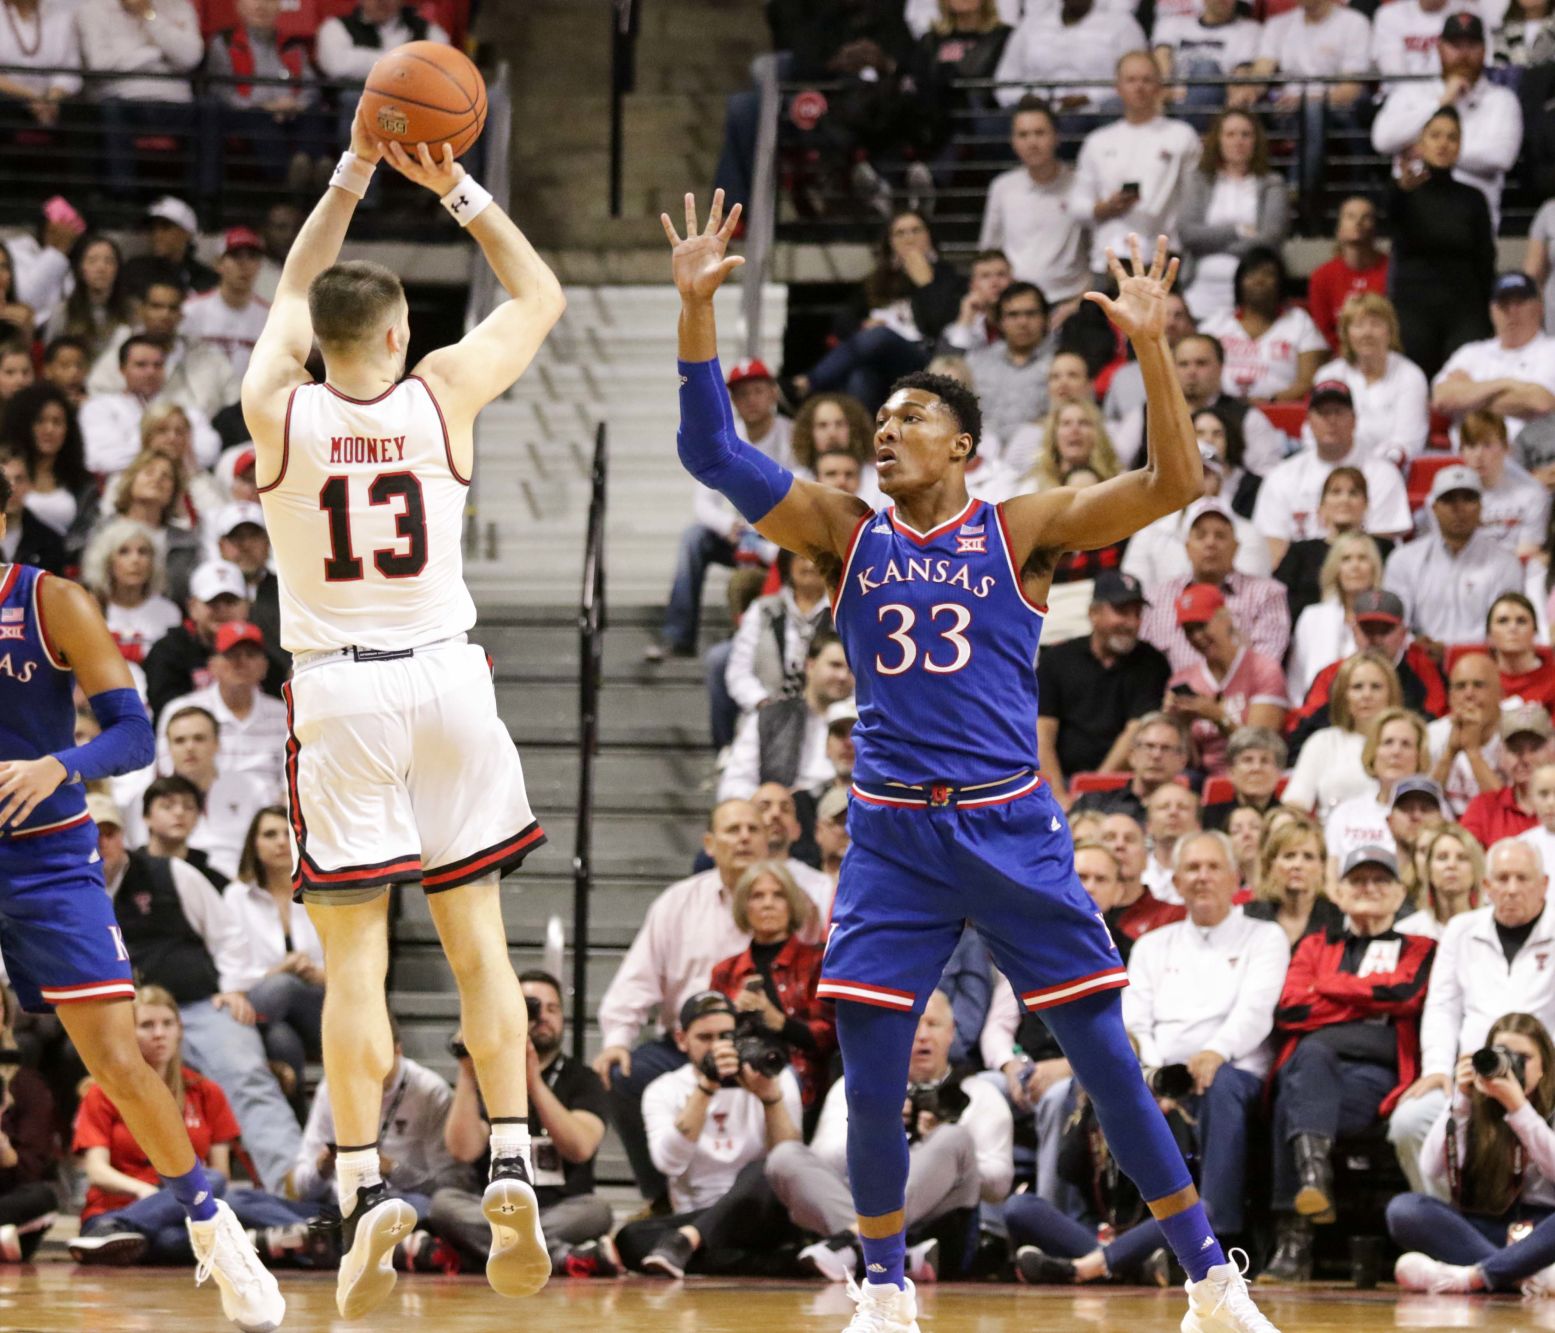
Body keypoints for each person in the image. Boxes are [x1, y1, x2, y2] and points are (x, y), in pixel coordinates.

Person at [664, 190, 1279, 1330]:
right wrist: (696, 312)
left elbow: (1172, 484)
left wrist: (1148, 349)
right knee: (872, 1057)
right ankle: (887, 1288)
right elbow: (709, 445)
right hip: (894, 829)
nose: (882, 432)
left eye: (906, 420)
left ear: (964, 446)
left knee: (1100, 1053)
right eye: (878, 420)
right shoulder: (843, 529)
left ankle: (1209, 1274)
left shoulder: (1021, 528)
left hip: (1007, 820)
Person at [239, 105, 566, 1316]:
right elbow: (539, 299)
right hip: (446, 677)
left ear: (322, 337)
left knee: (355, 961)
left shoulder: (278, 408)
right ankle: (517, 1158)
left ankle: (363, 1183)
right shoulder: (440, 398)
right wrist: (457, 192)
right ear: (398, 331)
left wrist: (350, 176)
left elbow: (292, 287)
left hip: (340, 691)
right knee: (476, 938)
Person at [0, 467, 280, 1325]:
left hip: (46, 853)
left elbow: (132, 732)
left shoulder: (50, 600)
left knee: (118, 1060)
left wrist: (58, 764)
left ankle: (209, 1222)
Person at [592, 800, 827, 1205]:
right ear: (709, 843)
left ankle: (784, 1199)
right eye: (732, 830)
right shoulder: (677, 903)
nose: (744, 838)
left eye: (753, 829)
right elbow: (636, 982)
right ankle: (661, 1200)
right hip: (687, 1045)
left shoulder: (800, 904)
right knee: (625, 1073)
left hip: (775, 1042)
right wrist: (616, 1039)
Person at [1262, 844, 1435, 1282]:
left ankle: (1294, 1244)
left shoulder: (1419, 946)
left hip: (1379, 1073)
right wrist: (1364, 998)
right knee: (1304, 1071)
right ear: (1337, 892)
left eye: (1381, 881)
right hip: (1322, 1074)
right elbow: (1291, 1009)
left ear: (1400, 895)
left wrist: (1329, 988)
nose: (1369, 889)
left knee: (1301, 1074)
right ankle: (1313, 1179)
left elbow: (1405, 994)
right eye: (1358, 880)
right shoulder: (1315, 944)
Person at [767, 989, 1013, 1284]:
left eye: (932, 1024)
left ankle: (855, 1244)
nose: (922, 1035)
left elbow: (999, 1184)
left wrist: (938, 1152)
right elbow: (824, 1160)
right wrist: (877, 1128)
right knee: (785, 1156)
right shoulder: (856, 1086)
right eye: (912, 1024)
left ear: (951, 1033)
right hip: (888, 1231)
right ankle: (893, 1255)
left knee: (953, 1138)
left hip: (941, 1235)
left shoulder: (979, 1093)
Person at [1123, 831, 1290, 1244]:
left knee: (1221, 1087)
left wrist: (1216, 1051)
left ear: (1236, 878)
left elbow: (1255, 1012)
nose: (1202, 877)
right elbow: (1135, 1020)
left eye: (1213, 867)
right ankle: (1112, 1228)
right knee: (1102, 1089)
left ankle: (1220, 1235)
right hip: (1162, 1068)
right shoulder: (1150, 945)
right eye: (1192, 869)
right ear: (1176, 882)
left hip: (1235, 1066)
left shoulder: (1265, 937)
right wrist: (1156, 1076)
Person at [69, 984, 308, 1269]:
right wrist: (145, 1193)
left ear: (180, 1030)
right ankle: (116, 1227)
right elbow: (96, 1171)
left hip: (183, 1211)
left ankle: (299, 1234)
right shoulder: (103, 1092)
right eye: (146, 1025)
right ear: (127, 1033)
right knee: (190, 1209)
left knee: (208, 1188)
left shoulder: (207, 1091)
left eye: (167, 1024)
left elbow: (220, 1175)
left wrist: (172, 1199)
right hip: (114, 1208)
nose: (159, 1034)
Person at [1392, 839, 1555, 1194]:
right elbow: (1442, 1007)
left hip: (1545, 1078)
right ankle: (1453, 1219)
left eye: (1522, 879)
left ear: (1544, 884)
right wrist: (1436, 1068)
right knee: (1408, 1122)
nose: (1512, 889)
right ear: (1486, 886)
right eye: (1502, 878)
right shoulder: (1461, 930)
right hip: (1472, 1075)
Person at [433, 971, 614, 1278]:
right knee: (443, 1204)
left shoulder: (583, 1079)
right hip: (495, 1209)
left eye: (552, 1008)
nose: (542, 1016)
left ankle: (485, 1254)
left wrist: (532, 1082)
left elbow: (580, 1148)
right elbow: (462, 1150)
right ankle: (556, 1255)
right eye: (530, 1007)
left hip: (562, 1208)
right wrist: (467, 1071)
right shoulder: (489, 1074)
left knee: (598, 1211)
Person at [619, 991, 804, 1278]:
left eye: (726, 1035)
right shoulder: (663, 1089)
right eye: (706, 1038)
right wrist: (706, 1088)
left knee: (764, 1169)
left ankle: (686, 1244)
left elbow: (791, 1162)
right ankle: (779, 1265)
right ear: (682, 1039)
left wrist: (770, 1099)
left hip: (759, 1214)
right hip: (696, 1211)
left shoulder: (774, 1076)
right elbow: (668, 1163)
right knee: (629, 1239)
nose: (719, 1047)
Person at [1391, 1011, 1555, 1294]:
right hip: (1487, 1224)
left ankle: (1471, 1277)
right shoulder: (1473, 1100)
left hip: (1544, 1231)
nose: (1512, 1065)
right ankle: (1524, 1278)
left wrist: (1519, 1110)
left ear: (1544, 1066)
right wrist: (1461, 1100)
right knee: (1404, 1210)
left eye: (1524, 1058)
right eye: (1503, 1054)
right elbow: (1431, 1168)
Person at [288, 1016, 467, 1231]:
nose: (365, 1070)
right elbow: (302, 1188)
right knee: (244, 1202)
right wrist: (321, 1170)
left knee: (432, 1209)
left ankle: (322, 1235)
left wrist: (392, 1169)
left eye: (373, 1059)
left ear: (397, 1050)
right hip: (340, 1205)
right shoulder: (333, 1087)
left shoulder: (431, 1092)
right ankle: (333, 1234)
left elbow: (450, 1187)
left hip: (400, 1204)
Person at [789, 213, 962, 415]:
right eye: (900, 233)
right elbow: (842, 324)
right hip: (880, 362)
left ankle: (807, 382)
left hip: (922, 358)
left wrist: (925, 284)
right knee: (860, 376)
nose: (909, 238)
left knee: (881, 335)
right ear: (890, 243)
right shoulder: (877, 280)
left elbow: (938, 325)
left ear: (929, 236)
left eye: (916, 230)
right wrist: (863, 327)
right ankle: (863, 442)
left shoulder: (946, 276)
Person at [1372, 12, 1523, 229]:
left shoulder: (1501, 100)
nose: (1463, 54)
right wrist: (1441, 102)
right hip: (1414, 222)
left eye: (1471, 45)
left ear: (1484, 50)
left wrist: (1430, 151)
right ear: (1440, 48)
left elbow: (1501, 157)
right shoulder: (1412, 92)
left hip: (1474, 224)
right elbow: (1382, 139)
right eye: (1455, 45)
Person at [1036, 570, 1171, 805]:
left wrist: (1091, 791)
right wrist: (1058, 795)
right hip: (1059, 780)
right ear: (1093, 614)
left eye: (1137, 613)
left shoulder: (1152, 662)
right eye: (1122, 612)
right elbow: (1042, 732)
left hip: (1126, 783)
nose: (1131, 623)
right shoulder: (1056, 660)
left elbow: (1136, 730)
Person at [709, 861, 834, 1111]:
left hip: (799, 1078)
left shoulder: (817, 963)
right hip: (736, 1073)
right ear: (745, 906)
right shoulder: (725, 971)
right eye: (757, 896)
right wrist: (732, 1014)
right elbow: (708, 1037)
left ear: (792, 904)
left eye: (778, 895)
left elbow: (831, 1036)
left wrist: (779, 1022)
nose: (768, 903)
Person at [1069, 52, 1201, 286]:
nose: (1139, 87)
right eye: (1131, 80)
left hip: (1162, 260)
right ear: (1118, 87)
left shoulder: (1182, 136)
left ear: (1159, 86)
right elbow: (1076, 205)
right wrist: (1104, 207)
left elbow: (1195, 199)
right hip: (1108, 260)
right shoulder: (1097, 141)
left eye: (1146, 79)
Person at [1387, 107, 1498, 380]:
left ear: (1460, 146)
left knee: (1467, 385)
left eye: (1452, 137)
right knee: (1413, 384)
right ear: (1421, 144)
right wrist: (1399, 190)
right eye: (1435, 135)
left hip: (1465, 310)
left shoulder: (1473, 198)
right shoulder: (1404, 193)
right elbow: (1387, 218)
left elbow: (1486, 260)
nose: (1443, 143)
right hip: (1413, 309)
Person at [1251, 381, 1413, 566]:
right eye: (1323, 413)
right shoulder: (1282, 476)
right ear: (1309, 421)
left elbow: (1382, 545)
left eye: (1338, 412)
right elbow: (1273, 546)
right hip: (1301, 579)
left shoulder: (1383, 473)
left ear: (1354, 420)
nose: (1331, 420)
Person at [223, 806, 323, 1103]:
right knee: (281, 1039)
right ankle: (297, 1132)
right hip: (267, 1003)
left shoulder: (323, 892)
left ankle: (234, 1042)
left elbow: (351, 966)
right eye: (270, 834)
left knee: (285, 987)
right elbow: (233, 967)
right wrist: (281, 970)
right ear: (254, 844)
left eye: (289, 834)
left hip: (320, 1003)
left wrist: (315, 973)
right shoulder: (236, 897)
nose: (281, 841)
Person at [1139, 497, 1291, 672]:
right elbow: (1144, 662)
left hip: (1242, 695)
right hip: (1171, 695)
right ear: (1187, 547)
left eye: (1220, 536)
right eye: (1201, 535)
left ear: (1236, 547)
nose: (1210, 543)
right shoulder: (1156, 598)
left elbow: (1265, 665)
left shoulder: (1268, 594)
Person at [1385, 464, 1524, 651]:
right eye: (1449, 500)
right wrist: (1419, 645)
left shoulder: (1505, 562)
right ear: (1434, 507)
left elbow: (1507, 629)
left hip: (1483, 661)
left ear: (1481, 506)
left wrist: (1456, 652)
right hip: (1420, 661)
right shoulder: (1404, 560)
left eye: (1468, 499)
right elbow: (1395, 623)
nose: (1459, 508)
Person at [713, 550, 833, 751]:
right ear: (787, 564)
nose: (810, 566)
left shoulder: (844, 613)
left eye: (816, 560)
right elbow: (738, 672)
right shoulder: (762, 610)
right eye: (802, 558)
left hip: (827, 721)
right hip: (766, 716)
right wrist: (765, 705)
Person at [1164, 583, 1288, 776]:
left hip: (1253, 776)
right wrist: (1182, 725)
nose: (1197, 636)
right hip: (1202, 780)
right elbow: (1187, 763)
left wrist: (1218, 717)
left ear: (1226, 619)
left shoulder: (1263, 669)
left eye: (1202, 626)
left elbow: (1261, 749)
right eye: (1189, 630)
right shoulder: (1183, 679)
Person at [1179, 111, 1290, 322]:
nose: (1238, 141)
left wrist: (1212, 243)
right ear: (1218, 140)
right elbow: (1188, 233)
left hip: (1253, 297)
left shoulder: (1272, 183)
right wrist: (1238, 231)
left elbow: (1271, 238)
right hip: (1199, 293)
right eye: (1230, 134)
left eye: (1245, 135)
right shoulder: (1199, 180)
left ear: (1256, 141)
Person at [977, 99, 1089, 306]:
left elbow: (1098, 252)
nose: (1032, 142)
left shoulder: (1082, 184)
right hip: (1016, 304)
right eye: (1023, 135)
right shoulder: (1002, 187)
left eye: (1040, 133)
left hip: (1072, 303)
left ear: (1057, 137)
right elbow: (989, 252)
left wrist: (1077, 304)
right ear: (1013, 141)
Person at [88, 271, 241, 421]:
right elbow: (97, 398)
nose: (165, 314)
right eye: (156, 306)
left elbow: (235, 404)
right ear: (141, 311)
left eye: (172, 308)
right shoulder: (118, 357)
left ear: (181, 314)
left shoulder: (209, 358)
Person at [718, 634, 855, 801]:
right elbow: (734, 784)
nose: (843, 676)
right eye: (835, 665)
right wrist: (773, 802)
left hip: (841, 814)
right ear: (810, 666)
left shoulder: (869, 725)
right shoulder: (770, 718)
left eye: (851, 669)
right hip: (783, 815)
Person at [1432, 272, 1555, 446]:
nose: (1512, 312)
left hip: (1533, 459)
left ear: (1539, 307)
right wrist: (1506, 384)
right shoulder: (1471, 352)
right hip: (1467, 458)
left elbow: (1541, 402)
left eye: (1519, 303)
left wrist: (1470, 394)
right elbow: (1442, 398)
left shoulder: (1550, 350)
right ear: (1492, 311)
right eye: (1504, 305)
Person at [1283, 649, 1402, 823]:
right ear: (1343, 695)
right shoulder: (1322, 742)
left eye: (1376, 687)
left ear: (1391, 694)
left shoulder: (1406, 742)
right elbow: (1294, 806)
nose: (1366, 695)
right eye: (1357, 687)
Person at [1313, 295, 1431, 469]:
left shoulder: (1410, 375)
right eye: (1358, 325)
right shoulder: (1328, 375)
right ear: (1346, 333)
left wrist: (1367, 468)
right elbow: (1313, 433)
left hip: (1391, 471)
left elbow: (1408, 441)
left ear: (1390, 331)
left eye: (1376, 324)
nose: (1367, 333)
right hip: (1333, 469)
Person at [1199, 247, 1327, 402]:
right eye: (1251, 274)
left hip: (1278, 412)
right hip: (1217, 412)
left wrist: (1269, 402)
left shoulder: (1300, 323)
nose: (1259, 280)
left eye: (1268, 274)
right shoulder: (1216, 324)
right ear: (1238, 282)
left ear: (1281, 283)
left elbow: (1308, 382)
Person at [992, 0, 1148, 117]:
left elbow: (1137, 79)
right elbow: (1004, 80)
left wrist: (1089, 98)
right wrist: (1024, 98)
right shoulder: (1031, 25)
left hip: (1096, 114)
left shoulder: (1122, 25)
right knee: (994, 125)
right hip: (1036, 113)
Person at [1322, 707, 1432, 862]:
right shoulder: (1344, 814)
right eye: (1387, 742)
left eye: (1406, 744)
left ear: (1419, 757)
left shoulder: (1433, 815)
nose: (1396, 752)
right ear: (1373, 752)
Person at [1286, 532, 1386, 699]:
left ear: (1374, 568)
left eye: (1362, 558)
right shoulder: (1312, 617)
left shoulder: (1387, 617)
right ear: (1335, 568)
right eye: (1346, 559)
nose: (1355, 566)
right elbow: (1296, 679)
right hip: (1315, 711)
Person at [0, 381, 95, 550]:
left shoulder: (82, 482)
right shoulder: (4, 471)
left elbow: (85, 533)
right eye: (40, 421)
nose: (49, 429)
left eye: (57, 422)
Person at [80, 517, 182, 667]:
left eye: (143, 552)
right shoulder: (89, 610)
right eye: (124, 552)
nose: (135, 560)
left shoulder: (169, 612)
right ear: (107, 561)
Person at [964, 282, 1053, 448]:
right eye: (1013, 315)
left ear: (1045, 318)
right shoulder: (977, 364)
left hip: (1038, 456)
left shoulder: (1060, 366)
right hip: (981, 457)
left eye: (1031, 314)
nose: (1022, 322)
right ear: (1000, 322)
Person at [1450, 414, 1551, 559]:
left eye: (1487, 445)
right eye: (1471, 446)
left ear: (1506, 448)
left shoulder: (1533, 495)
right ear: (1461, 451)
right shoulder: (1447, 498)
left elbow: (1528, 551)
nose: (1479, 455)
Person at [177, 229, 270, 380]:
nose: (244, 265)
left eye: (252, 257)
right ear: (218, 263)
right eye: (235, 256)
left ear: (260, 265)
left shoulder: (271, 316)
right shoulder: (191, 309)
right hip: (201, 396)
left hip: (248, 398)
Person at [1069, 710, 1191, 823]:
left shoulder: (1191, 813)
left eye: (1166, 748)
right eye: (1149, 746)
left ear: (1182, 760)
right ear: (1132, 755)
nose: (1156, 755)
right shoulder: (1093, 804)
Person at [1245, 814, 1345, 948]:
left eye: (1308, 857)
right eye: (1289, 856)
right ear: (1271, 864)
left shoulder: (1338, 920)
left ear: (1322, 866)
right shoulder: (1248, 917)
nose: (1298, 865)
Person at [1307, 197, 1392, 355]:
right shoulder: (1322, 276)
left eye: (1366, 217)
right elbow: (1323, 329)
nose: (1358, 222)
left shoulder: (1392, 270)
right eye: (1351, 216)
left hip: (1385, 356)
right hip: (1340, 358)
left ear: (1375, 228)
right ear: (1339, 228)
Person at [1461, 706, 1555, 848]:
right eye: (1515, 749)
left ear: (1552, 750)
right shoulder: (1484, 807)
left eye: (1535, 748)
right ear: (1501, 755)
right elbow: (1465, 856)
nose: (1525, 758)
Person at [1428, 650, 1504, 817]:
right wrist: (1449, 754)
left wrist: (1472, 752)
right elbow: (1421, 805)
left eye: (1478, 685)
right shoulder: (1433, 734)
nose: (1469, 694)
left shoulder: (1516, 734)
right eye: (1460, 686)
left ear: (1500, 693)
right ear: (1450, 696)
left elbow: (1507, 813)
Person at [42, 233, 132, 359]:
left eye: (109, 261)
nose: (101, 268)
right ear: (80, 268)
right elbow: (50, 356)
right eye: (92, 261)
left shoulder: (132, 311)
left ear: (117, 268)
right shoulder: (63, 312)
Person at [314, 0, 449, 82]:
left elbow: (441, 66)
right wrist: (408, 63)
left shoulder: (427, 30)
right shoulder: (336, 27)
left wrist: (366, 60)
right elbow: (336, 65)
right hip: (355, 113)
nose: (382, 1)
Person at [1409, 822, 1485, 940]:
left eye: (1462, 858)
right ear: (1429, 869)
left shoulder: (1491, 930)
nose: (1451, 865)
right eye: (1442, 857)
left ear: (1476, 869)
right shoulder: (1408, 932)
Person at [1203, 726, 1287, 830]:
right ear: (1231, 772)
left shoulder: (1288, 821)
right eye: (1247, 760)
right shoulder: (1208, 818)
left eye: (1265, 761)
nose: (1256, 768)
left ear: (1279, 772)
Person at [0, 449, 64, 575]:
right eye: (3, 480)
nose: (11, 488)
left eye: (19, 479)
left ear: (30, 484)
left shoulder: (50, 542)